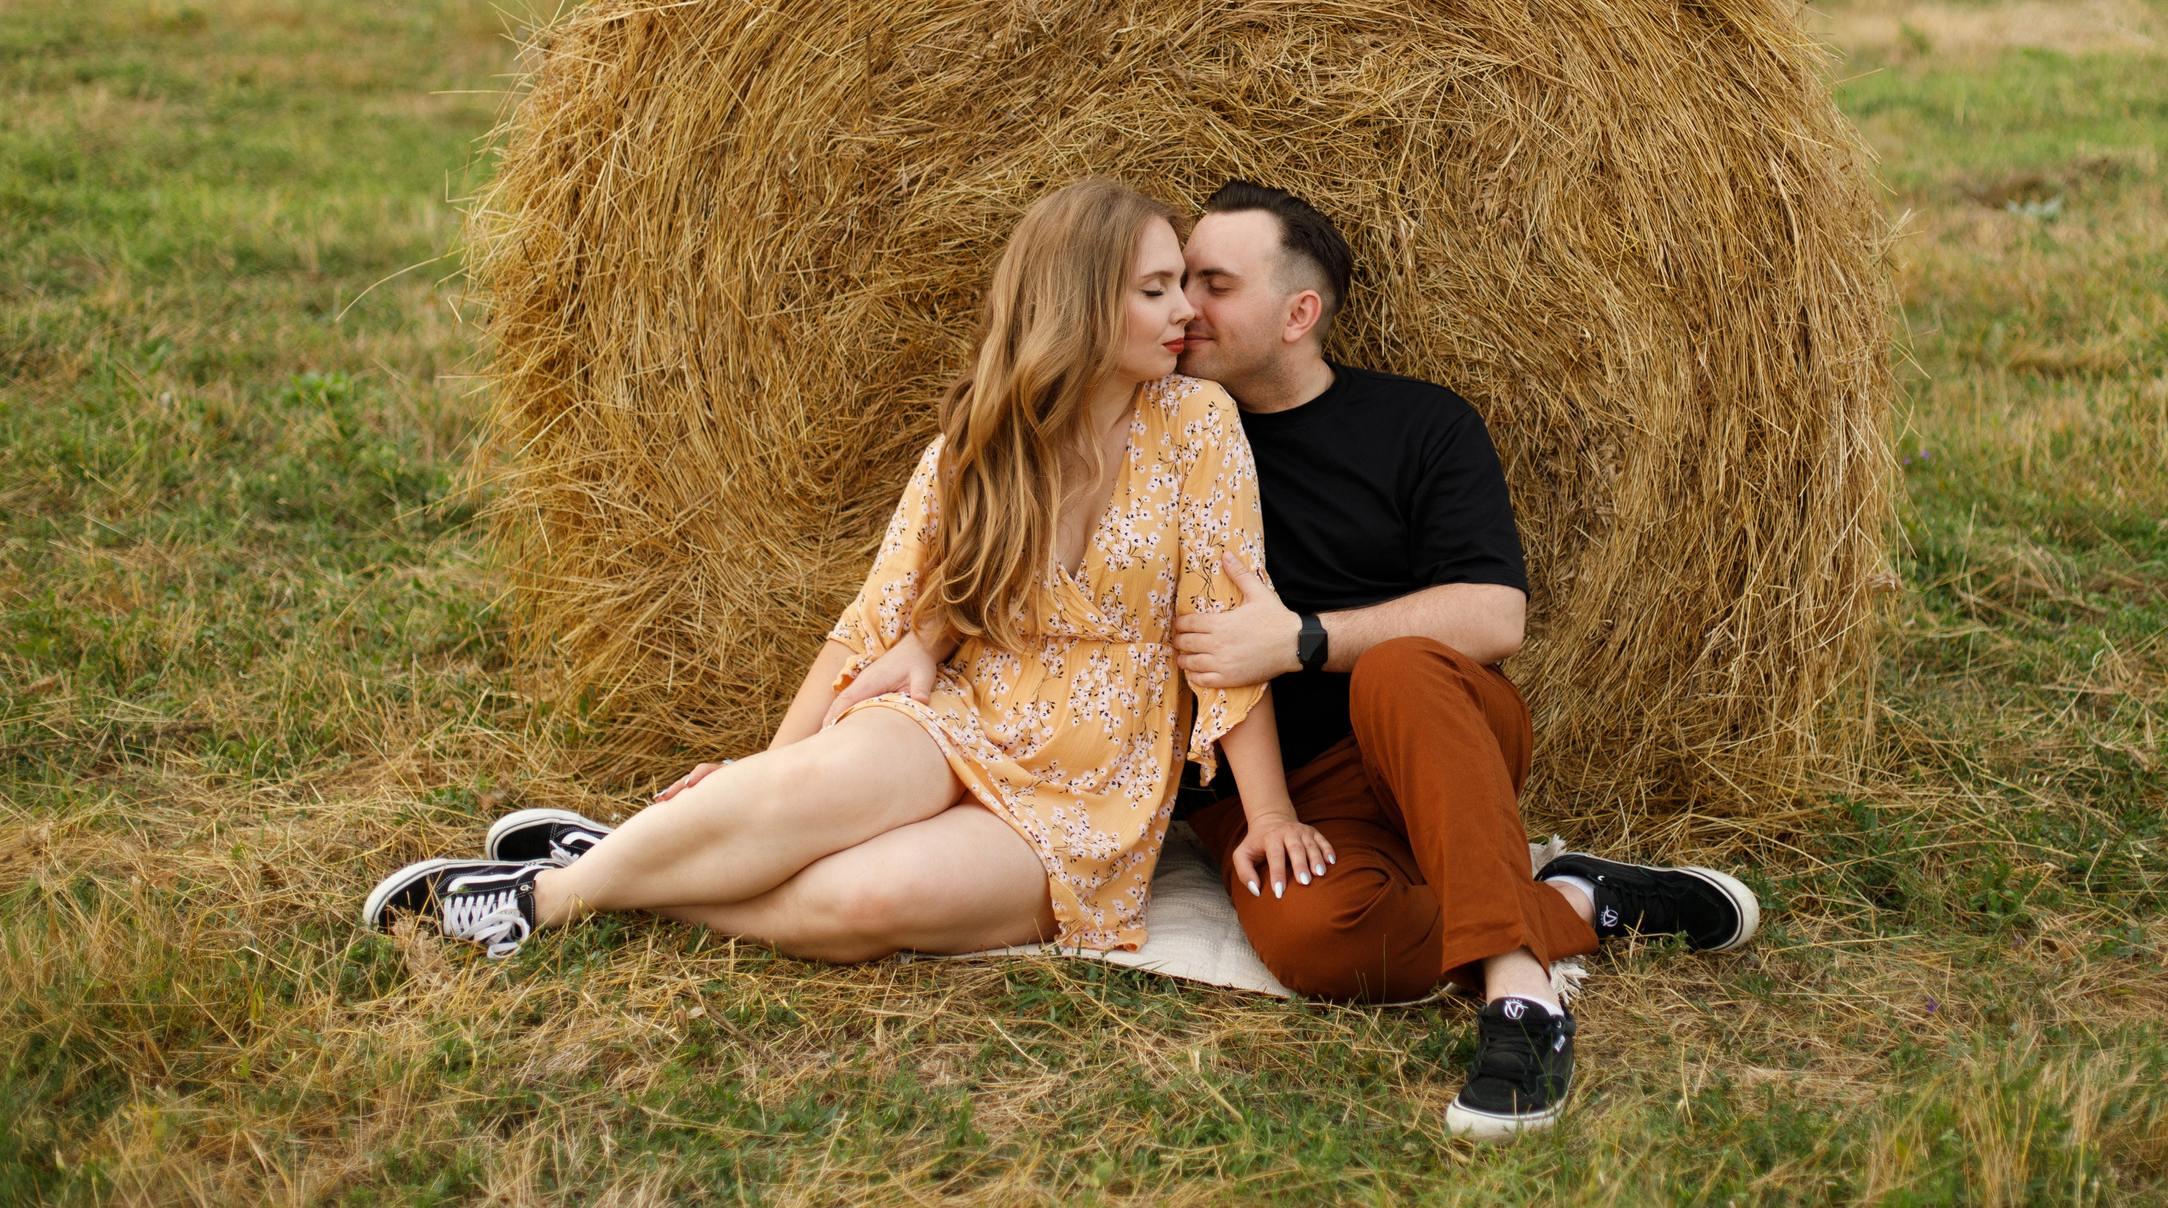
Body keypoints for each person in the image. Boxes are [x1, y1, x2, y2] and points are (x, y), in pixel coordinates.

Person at [361, 179, 1330, 965]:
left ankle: (624, 865)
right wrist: (762, 773)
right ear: (1078, 303)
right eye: (1155, 289)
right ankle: (542, 899)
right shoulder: (982, 445)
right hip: (961, 712)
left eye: (1183, 285)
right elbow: (873, 620)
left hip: (1091, 791)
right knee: (804, 795)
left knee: (862, 900)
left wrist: (1270, 812)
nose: (1186, 312)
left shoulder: (1198, 427)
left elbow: (1226, 636)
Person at [1170, 180, 1761, 1142]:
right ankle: (1575, 899)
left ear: (1298, 313)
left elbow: (1495, 615)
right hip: (1272, 788)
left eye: (1215, 283)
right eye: (1178, 278)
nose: (1184, 302)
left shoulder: (1422, 425)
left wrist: (1302, 640)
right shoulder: (1163, 439)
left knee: (1399, 666)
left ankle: (1520, 999)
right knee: (1319, 943)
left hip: (1438, 741)